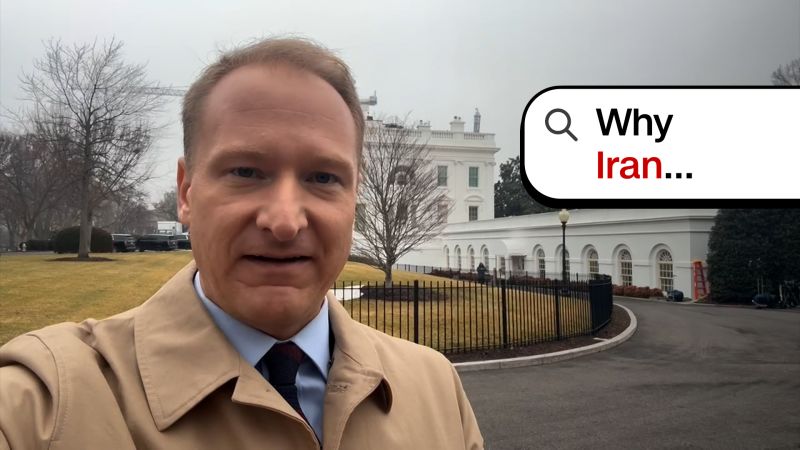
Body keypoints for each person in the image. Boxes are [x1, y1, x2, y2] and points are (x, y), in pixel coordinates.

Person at [0, 38, 483, 449]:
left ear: (354, 198)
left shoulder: (436, 391)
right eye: (247, 172)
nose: (285, 222)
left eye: (323, 177)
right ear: (186, 193)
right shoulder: (43, 407)